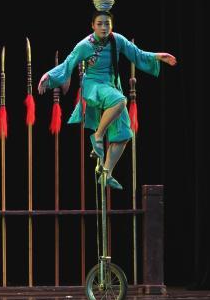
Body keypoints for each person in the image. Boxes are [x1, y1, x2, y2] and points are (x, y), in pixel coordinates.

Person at [38, 10, 177, 189]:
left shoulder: (117, 40)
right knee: (120, 101)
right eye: (99, 24)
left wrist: (159, 56)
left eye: (107, 23)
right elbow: (68, 64)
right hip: (94, 85)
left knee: (124, 134)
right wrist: (48, 76)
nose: (104, 27)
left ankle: (106, 173)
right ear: (92, 26)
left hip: (111, 86)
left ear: (112, 25)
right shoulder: (84, 45)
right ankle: (98, 136)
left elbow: (137, 54)